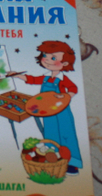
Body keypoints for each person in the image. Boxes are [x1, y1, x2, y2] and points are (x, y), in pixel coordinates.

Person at [20, 40, 83, 174]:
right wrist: (17, 75)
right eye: (45, 56)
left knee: (66, 135)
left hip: (62, 112)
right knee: (50, 135)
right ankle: (53, 160)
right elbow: (32, 79)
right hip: (47, 113)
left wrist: (66, 96)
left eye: (53, 58)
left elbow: (73, 88)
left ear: (65, 63)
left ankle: (72, 164)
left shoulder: (62, 79)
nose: (47, 60)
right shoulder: (45, 77)